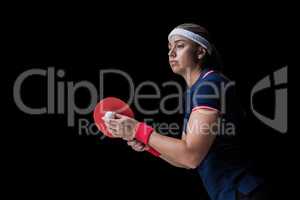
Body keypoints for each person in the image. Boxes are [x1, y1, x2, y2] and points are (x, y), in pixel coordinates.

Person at [105, 23, 270, 200]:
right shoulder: (197, 90)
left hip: (244, 192)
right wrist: (148, 145)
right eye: (169, 47)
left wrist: (138, 130)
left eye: (180, 45)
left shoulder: (209, 85)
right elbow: (185, 161)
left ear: (200, 52)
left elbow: (190, 156)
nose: (171, 53)